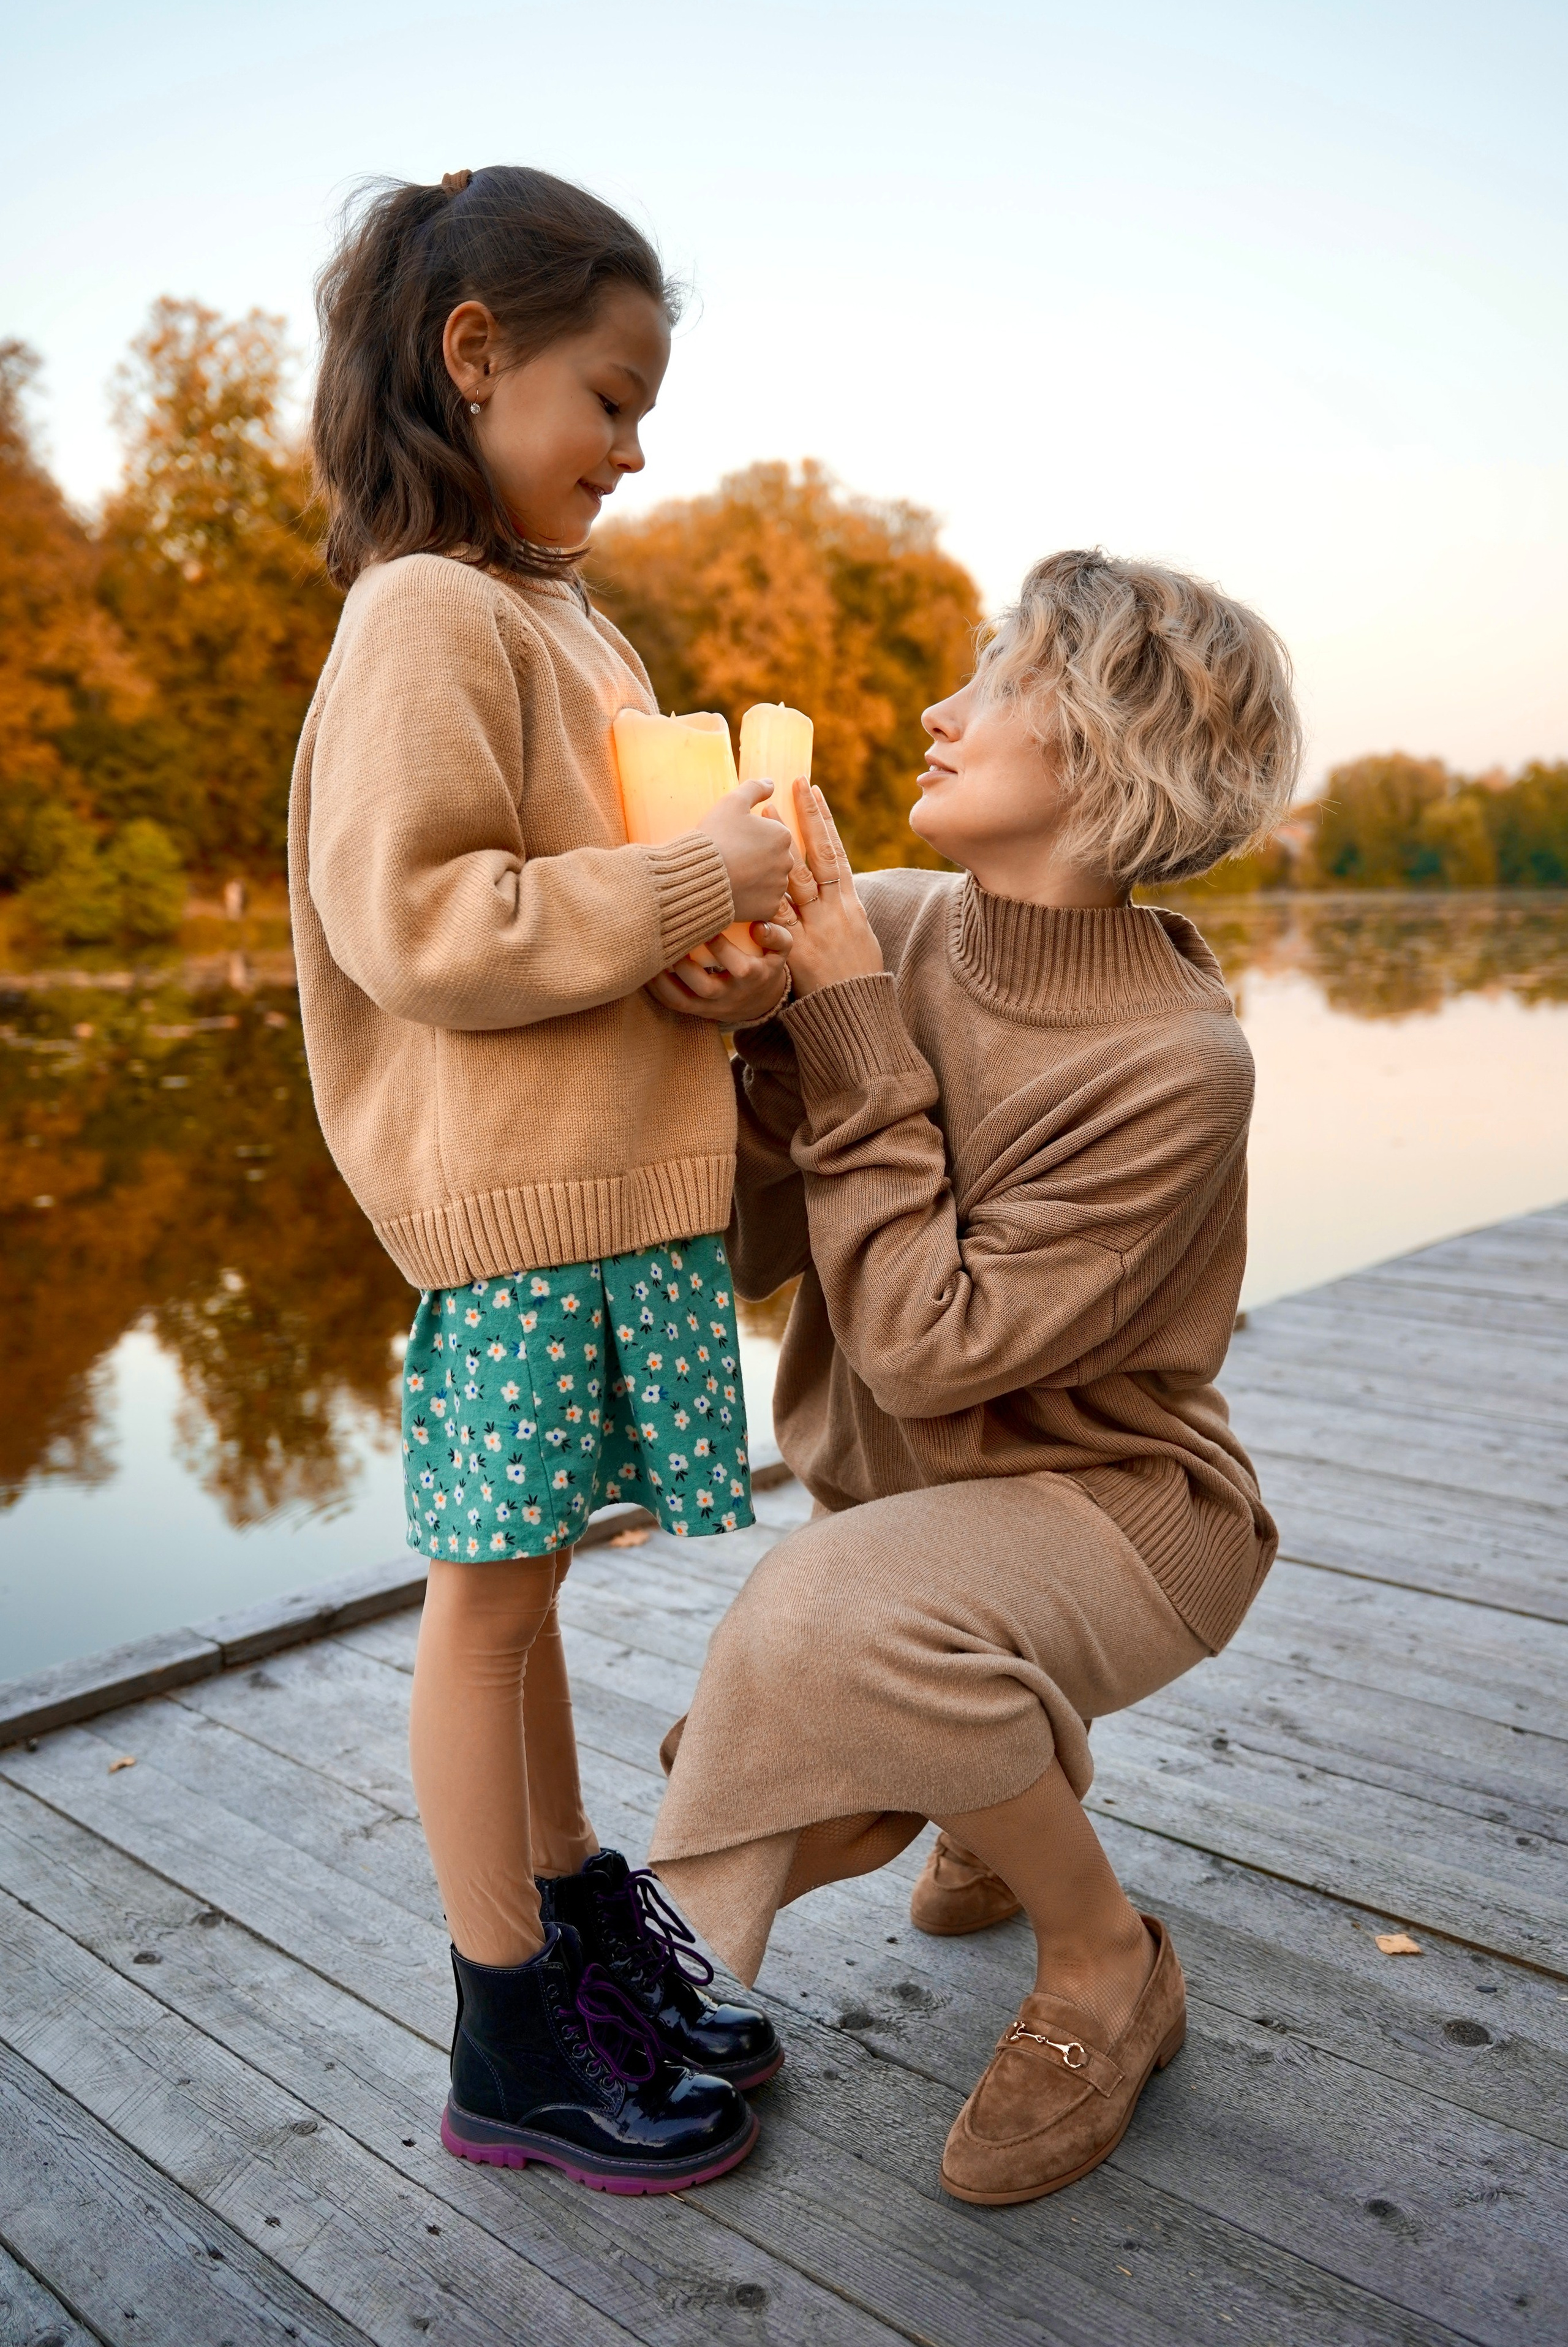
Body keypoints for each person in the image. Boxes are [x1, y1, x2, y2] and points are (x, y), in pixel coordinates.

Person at [646, 548, 1300, 2204]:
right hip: (922, 1513)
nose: (941, 712)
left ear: (1109, 748)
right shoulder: (894, 927)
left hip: (1125, 1512)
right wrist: (735, 1054)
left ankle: (1104, 1960)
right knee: (752, 1734)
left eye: (997, 681)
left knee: (828, 1646)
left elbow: (934, 1351)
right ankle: (981, 1791)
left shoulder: (1179, 1063)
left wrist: (850, 1023)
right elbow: (751, 1249)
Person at [290, 165, 799, 2192]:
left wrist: (716, 959)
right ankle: (509, 2024)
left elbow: (585, 924)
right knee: (483, 1612)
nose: (638, 440)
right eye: (612, 390)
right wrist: (694, 872)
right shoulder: (423, 614)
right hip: (514, 1228)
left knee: (536, 1592)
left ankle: (582, 1927)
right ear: (473, 357)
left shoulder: (564, 621)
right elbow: (427, 921)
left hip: (611, 1199)